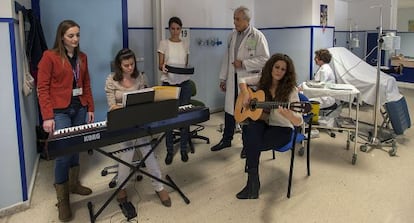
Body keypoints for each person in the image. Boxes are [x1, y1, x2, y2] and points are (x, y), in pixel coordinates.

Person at [37, 20, 94, 222]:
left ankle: (74, 184)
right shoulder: (49, 57)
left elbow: (86, 84)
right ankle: (62, 200)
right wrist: (47, 117)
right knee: (63, 153)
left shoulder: (82, 57)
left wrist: (90, 108)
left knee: (76, 145)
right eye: (71, 36)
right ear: (62, 37)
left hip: (79, 107)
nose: (75, 39)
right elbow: (42, 88)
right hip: (59, 111)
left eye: (78, 35)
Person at [105, 48, 171, 207]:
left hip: (139, 122)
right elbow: (112, 107)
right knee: (126, 156)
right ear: (119, 65)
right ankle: (122, 188)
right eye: (126, 65)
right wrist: (123, 106)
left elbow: (145, 99)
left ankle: (159, 187)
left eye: (132, 64)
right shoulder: (111, 80)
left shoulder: (139, 77)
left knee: (149, 154)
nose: (130, 68)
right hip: (123, 123)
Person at [236, 53, 303, 199]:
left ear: (287, 72)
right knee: (252, 129)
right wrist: (246, 94)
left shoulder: (290, 90)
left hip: (282, 130)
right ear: (271, 67)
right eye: (276, 67)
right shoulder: (263, 81)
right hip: (265, 123)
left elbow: (299, 121)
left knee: (250, 139)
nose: (279, 71)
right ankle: (253, 182)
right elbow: (242, 79)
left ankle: (252, 183)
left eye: (283, 69)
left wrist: (289, 115)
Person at [210, 6, 270, 159]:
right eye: (234, 18)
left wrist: (244, 63)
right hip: (232, 80)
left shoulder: (257, 36)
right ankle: (226, 139)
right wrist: (223, 78)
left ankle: (247, 145)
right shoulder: (232, 36)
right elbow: (227, 58)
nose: (234, 22)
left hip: (248, 82)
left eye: (237, 19)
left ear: (246, 20)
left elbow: (265, 60)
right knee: (230, 111)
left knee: (246, 114)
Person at [157, 16, 192, 165]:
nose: (175, 31)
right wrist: (163, 67)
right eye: (173, 28)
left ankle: (183, 148)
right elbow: (160, 65)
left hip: (184, 84)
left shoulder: (185, 44)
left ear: (181, 29)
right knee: (168, 117)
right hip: (168, 84)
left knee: (184, 117)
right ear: (169, 29)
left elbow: (186, 65)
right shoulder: (163, 43)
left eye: (178, 28)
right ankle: (170, 150)